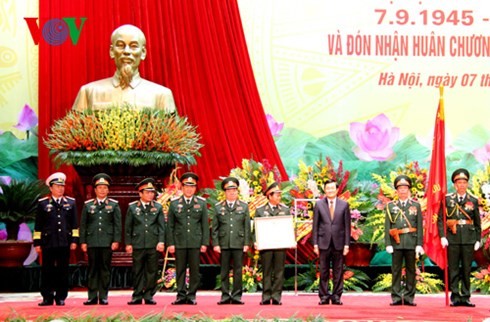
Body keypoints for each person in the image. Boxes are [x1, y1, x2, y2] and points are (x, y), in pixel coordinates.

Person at [72, 24, 176, 113]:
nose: (126, 51)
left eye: (133, 46)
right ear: (112, 51)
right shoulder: (88, 92)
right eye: (120, 45)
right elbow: (73, 133)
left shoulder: (161, 95)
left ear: (143, 53)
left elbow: (172, 135)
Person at [33, 172, 78, 306]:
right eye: (57, 186)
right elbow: (38, 226)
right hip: (48, 242)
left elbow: (74, 225)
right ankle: (47, 297)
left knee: (63, 270)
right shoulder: (42, 203)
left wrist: (74, 241)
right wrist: (37, 243)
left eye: (62, 186)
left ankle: (61, 297)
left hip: (64, 242)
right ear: (51, 188)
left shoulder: (70, 203)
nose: (60, 189)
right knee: (47, 270)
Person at [438, 168, 482, 307]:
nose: (462, 185)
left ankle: (466, 296)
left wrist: (477, 239)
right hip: (453, 238)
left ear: (467, 184)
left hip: (469, 239)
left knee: (467, 269)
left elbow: (477, 222)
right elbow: (440, 219)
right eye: (459, 182)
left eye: (464, 182)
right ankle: (455, 296)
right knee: (454, 268)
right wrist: (443, 236)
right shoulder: (447, 200)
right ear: (455, 185)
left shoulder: (473, 200)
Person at [166, 172, 209, 305]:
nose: (189, 189)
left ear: (195, 188)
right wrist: (170, 243)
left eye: (192, 186)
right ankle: (180, 295)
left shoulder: (201, 203)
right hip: (179, 242)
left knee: (195, 270)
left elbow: (205, 225)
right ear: (182, 187)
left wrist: (204, 243)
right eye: (186, 186)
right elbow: (170, 226)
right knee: (180, 269)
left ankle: (191, 295)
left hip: (195, 242)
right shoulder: (174, 204)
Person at [79, 173, 122, 305]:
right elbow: (83, 225)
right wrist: (83, 242)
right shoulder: (88, 205)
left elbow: (117, 225)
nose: (102, 190)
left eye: (105, 188)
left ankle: (103, 296)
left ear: (108, 190)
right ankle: (92, 296)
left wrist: (116, 240)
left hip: (107, 242)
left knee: (104, 269)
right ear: (95, 190)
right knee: (92, 269)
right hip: (91, 242)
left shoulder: (114, 205)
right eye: (100, 188)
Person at [384, 175, 423, 306]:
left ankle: (409, 297)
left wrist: (419, 244)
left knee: (411, 271)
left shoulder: (416, 205)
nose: (402, 190)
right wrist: (388, 243)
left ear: (409, 189)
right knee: (396, 270)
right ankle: (395, 297)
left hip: (411, 242)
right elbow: (387, 226)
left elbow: (419, 226)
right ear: (396, 190)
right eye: (400, 188)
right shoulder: (390, 206)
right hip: (396, 242)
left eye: (405, 187)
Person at [125, 178, 165, 305]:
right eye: (147, 192)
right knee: (137, 270)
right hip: (138, 243)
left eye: (152, 192)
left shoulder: (157, 207)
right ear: (140, 193)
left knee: (152, 271)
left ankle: (149, 295)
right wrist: (128, 243)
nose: (150, 195)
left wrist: (161, 241)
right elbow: (128, 228)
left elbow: (161, 227)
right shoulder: (132, 207)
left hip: (153, 244)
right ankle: (137, 295)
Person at [212, 177, 251, 305]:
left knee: (238, 271)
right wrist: (216, 244)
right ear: (225, 192)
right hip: (224, 243)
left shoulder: (244, 207)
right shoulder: (218, 207)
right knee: (224, 270)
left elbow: (246, 227)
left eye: (234, 190)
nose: (232, 192)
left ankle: (236, 296)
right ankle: (224, 295)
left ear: (237, 191)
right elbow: (215, 228)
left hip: (239, 243)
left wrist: (246, 243)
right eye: (229, 190)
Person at [312, 179, 351, 305]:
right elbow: (315, 226)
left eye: (332, 188)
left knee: (338, 271)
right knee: (323, 270)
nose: (330, 190)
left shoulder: (344, 205)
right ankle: (323, 296)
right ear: (324, 190)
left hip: (339, 243)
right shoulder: (319, 205)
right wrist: (315, 244)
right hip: (323, 242)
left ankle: (336, 296)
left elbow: (347, 226)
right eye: (328, 188)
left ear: (337, 189)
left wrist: (346, 244)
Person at [254, 182, 291, 305]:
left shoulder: (285, 210)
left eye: (280, 195)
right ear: (269, 196)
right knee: (266, 271)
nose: (279, 197)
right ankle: (265, 296)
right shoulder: (260, 210)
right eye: (276, 195)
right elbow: (255, 229)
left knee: (279, 271)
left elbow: (289, 228)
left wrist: (291, 239)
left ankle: (276, 297)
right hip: (266, 245)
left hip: (280, 245)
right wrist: (255, 241)